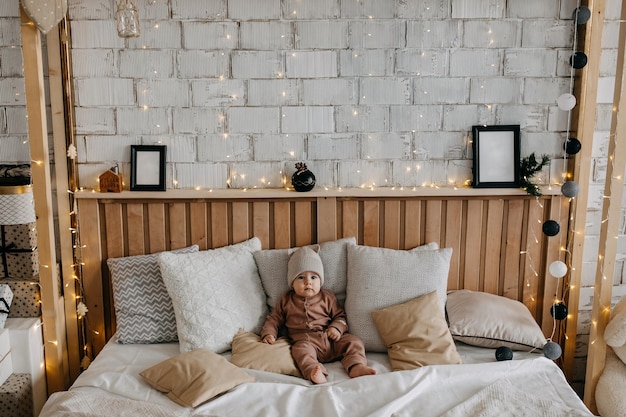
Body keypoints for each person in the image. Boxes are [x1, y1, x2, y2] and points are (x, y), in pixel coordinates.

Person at [261, 246, 376, 384]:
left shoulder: (327, 297)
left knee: (354, 341)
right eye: (301, 277)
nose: (308, 282)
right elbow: (274, 319)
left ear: (320, 281)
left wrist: (336, 328)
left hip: (331, 340)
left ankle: (356, 366)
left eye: (313, 277)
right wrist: (269, 334)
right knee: (299, 351)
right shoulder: (286, 300)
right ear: (292, 283)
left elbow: (340, 316)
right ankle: (315, 371)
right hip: (306, 342)